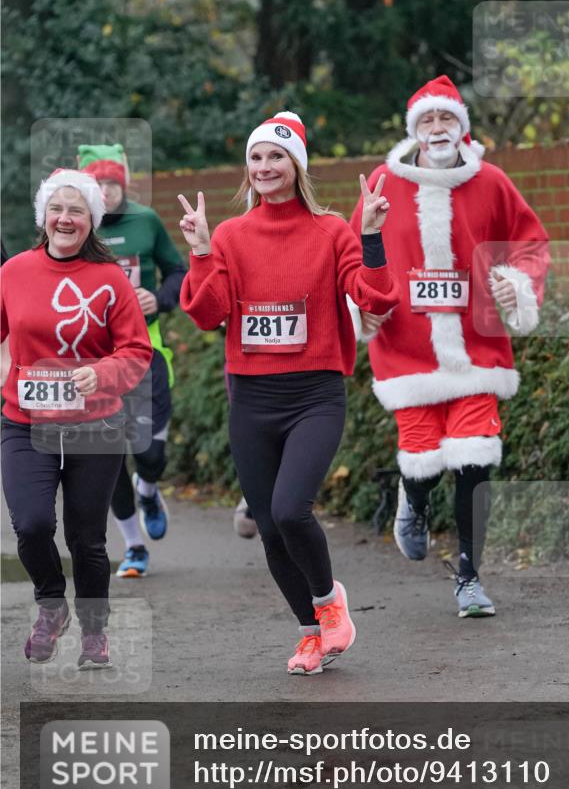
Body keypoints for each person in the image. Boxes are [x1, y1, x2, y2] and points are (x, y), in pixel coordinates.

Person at [178, 111, 399, 675]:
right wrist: (202, 250)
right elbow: (207, 315)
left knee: (288, 509)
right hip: (252, 401)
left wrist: (370, 235)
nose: (264, 167)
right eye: (256, 158)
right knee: (270, 530)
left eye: (276, 156)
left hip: (314, 396)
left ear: (296, 165)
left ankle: (330, 607)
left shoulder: (331, 231)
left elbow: (375, 298)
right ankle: (310, 635)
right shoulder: (230, 235)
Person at [349, 76, 550, 617]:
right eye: (427, 122)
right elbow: (353, 256)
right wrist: (363, 302)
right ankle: (412, 501)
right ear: (414, 130)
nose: (437, 130)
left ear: (462, 126)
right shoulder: (383, 183)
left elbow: (530, 243)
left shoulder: (492, 182)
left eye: (446, 120)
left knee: (475, 460)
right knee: (422, 458)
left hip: (477, 350)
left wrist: (516, 282)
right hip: (406, 350)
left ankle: (468, 576)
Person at [0, 169, 152, 666]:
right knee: (32, 524)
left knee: (86, 539)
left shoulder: (109, 280)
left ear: (92, 221)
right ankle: (51, 606)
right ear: (43, 216)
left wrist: (103, 373)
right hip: (25, 421)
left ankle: (93, 632)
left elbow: (136, 350)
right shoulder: (14, 272)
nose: (65, 218)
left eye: (77, 210)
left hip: (95, 424)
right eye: (57, 209)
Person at [78, 144, 186, 578]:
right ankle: (134, 547)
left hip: (146, 352)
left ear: (122, 183)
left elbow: (179, 272)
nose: (106, 192)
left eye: (112, 183)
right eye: (97, 184)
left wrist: (157, 298)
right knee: (108, 457)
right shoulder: (73, 226)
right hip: (90, 360)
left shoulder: (146, 221)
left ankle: (149, 488)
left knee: (150, 454)